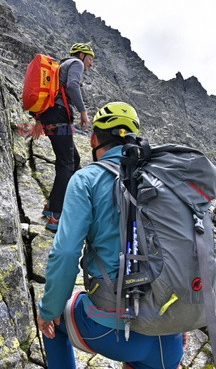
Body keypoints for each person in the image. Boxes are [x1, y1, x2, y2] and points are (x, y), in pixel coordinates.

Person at [36, 102, 184, 369]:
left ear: (93, 139)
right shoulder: (162, 180)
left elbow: (66, 252)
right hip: (169, 334)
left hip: (109, 332)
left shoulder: (86, 179)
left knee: (54, 324)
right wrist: (179, 316)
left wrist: (48, 310)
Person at [32, 42, 94, 232]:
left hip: (50, 117)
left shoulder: (61, 66)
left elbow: (52, 94)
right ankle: (56, 216)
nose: (91, 64)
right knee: (66, 163)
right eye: (91, 58)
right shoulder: (77, 64)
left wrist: (39, 121)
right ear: (82, 55)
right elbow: (73, 86)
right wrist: (83, 112)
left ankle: (51, 205)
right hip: (59, 116)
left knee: (72, 159)